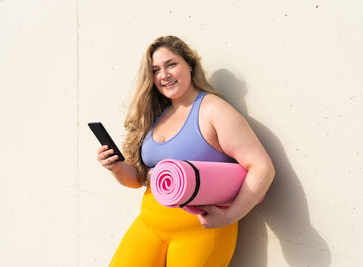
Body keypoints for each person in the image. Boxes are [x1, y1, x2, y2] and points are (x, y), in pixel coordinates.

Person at [97, 35, 275, 267]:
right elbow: (139, 180)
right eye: (156, 70)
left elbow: (262, 167)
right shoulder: (156, 114)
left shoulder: (213, 110)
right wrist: (117, 167)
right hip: (150, 224)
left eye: (171, 64)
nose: (164, 75)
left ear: (190, 65)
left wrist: (231, 215)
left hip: (198, 233)